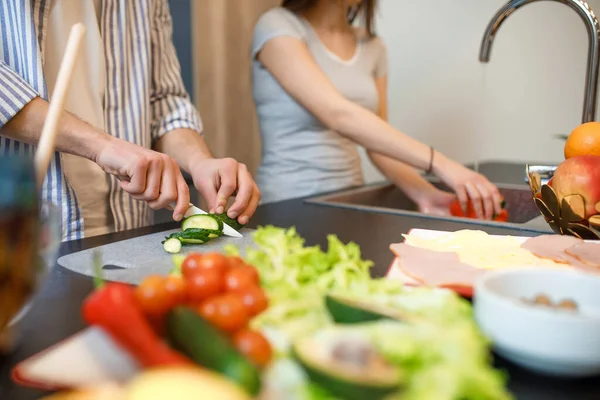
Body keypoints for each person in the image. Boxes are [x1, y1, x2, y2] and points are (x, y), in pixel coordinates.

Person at [0, 0, 260, 241]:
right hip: (28, 234)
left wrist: (200, 161)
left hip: (129, 227)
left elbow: (163, 99)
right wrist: (103, 146)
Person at [251, 0, 502, 219]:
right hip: (287, 201)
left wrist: (425, 194)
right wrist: (441, 163)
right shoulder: (277, 26)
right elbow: (337, 114)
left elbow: (378, 144)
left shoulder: (372, 46)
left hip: (349, 198)